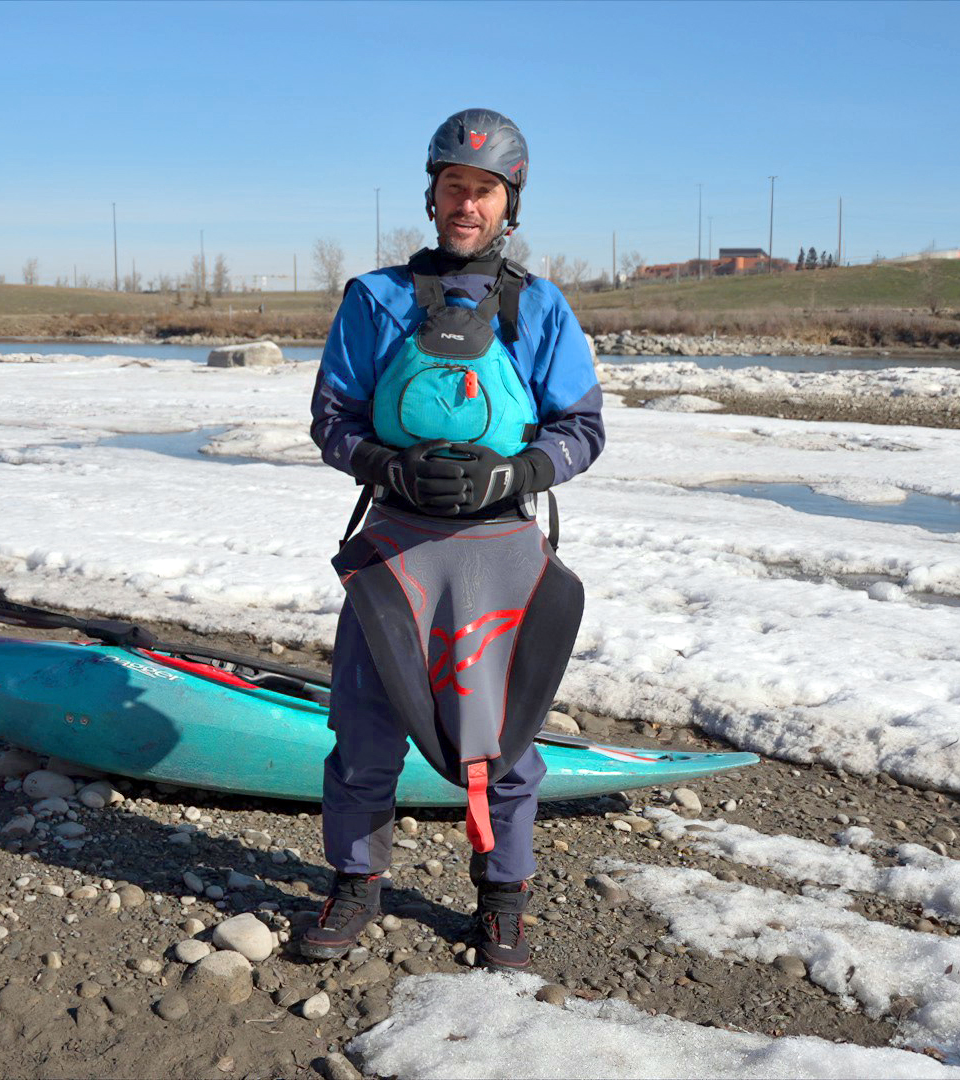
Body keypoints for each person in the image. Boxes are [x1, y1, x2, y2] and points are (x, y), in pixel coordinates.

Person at [303, 108, 605, 971]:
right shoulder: (375, 299)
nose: (465, 203)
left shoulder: (540, 308)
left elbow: (581, 429)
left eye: (484, 190)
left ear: (510, 204)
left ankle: (503, 897)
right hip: (395, 545)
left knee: (504, 737)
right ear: (431, 196)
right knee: (363, 724)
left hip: (500, 548)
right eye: (452, 187)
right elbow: (332, 420)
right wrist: (383, 468)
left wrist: (516, 475)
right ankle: (354, 882)